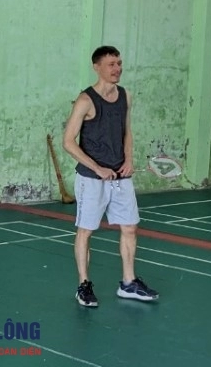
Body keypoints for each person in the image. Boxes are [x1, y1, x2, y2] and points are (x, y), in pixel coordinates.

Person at [61, 45, 159, 307]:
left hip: (120, 177)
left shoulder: (126, 96)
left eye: (119, 63)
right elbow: (68, 142)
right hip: (92, 179)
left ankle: (128, 282)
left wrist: (128, 160)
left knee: (130, 227)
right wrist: (97, 168)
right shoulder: (86, 100)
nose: (117, 69)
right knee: (86, 231)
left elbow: (127, 132)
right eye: (111, 64)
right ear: (97, 67)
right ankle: (84, 285)